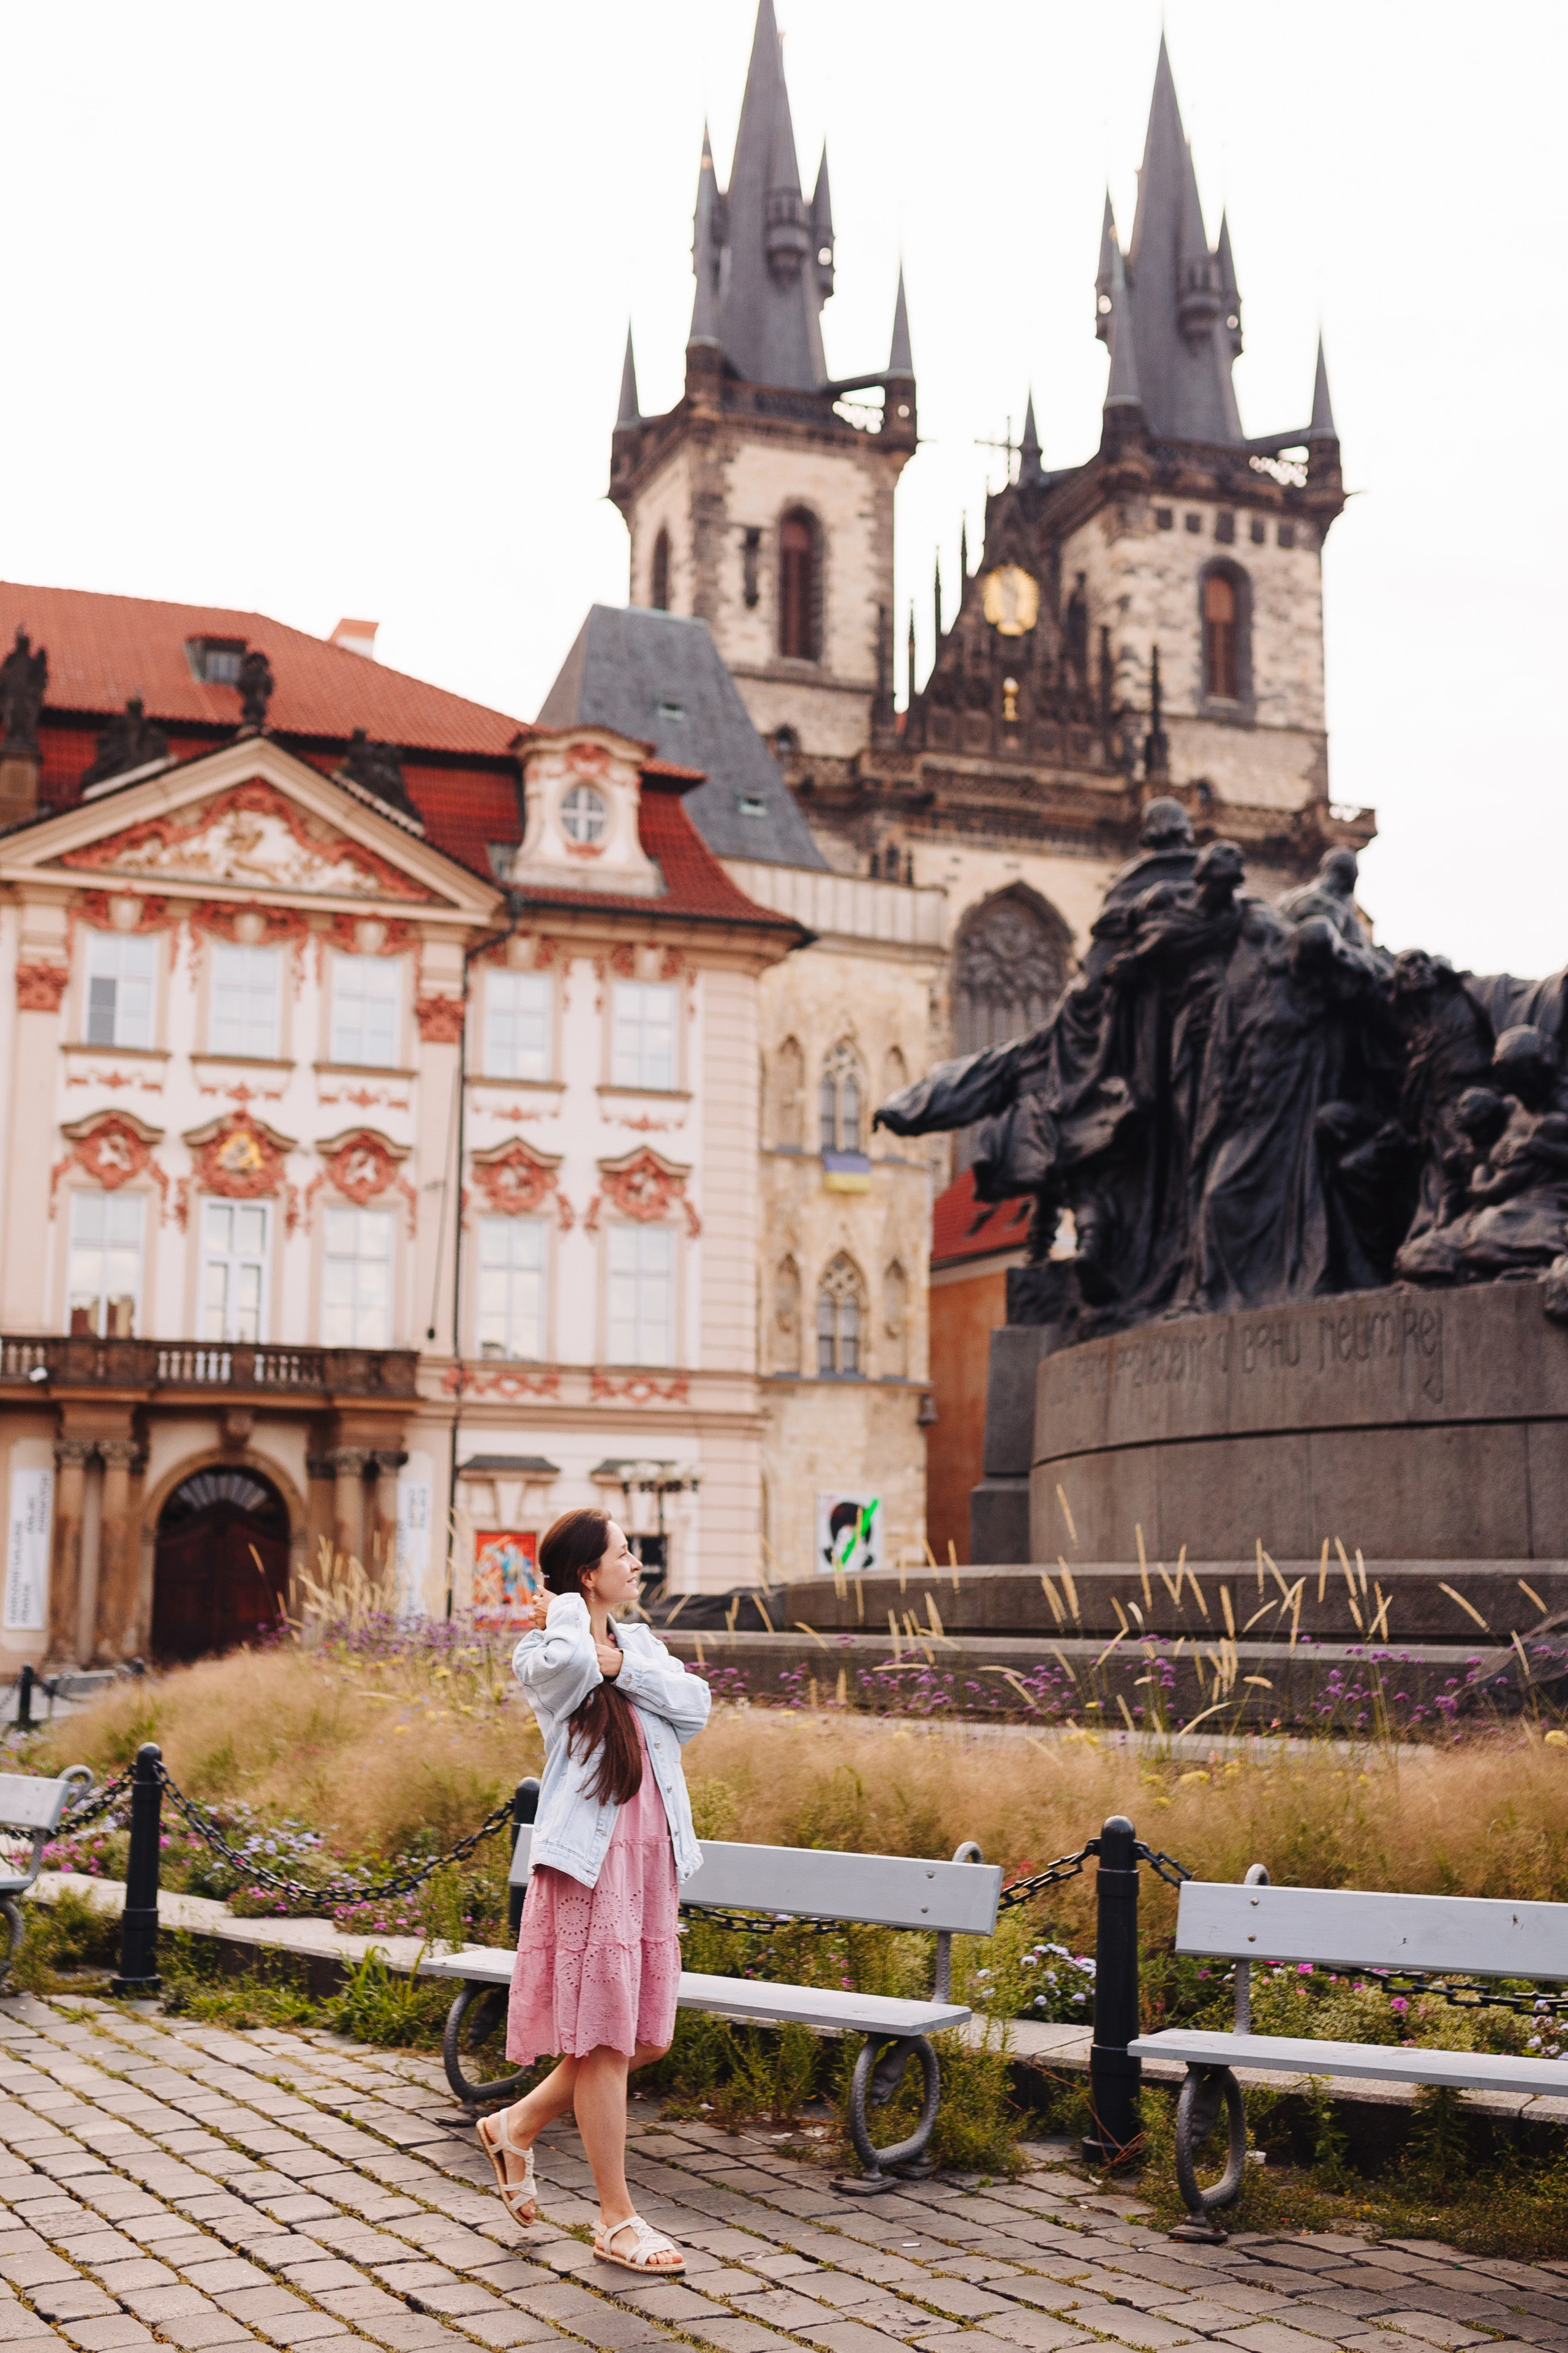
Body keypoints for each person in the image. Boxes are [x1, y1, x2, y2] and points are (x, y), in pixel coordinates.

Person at [475, 1508, 710, 2275]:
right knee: (606, 2040)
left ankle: (515, 2124)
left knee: (646, 2036)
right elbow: (570, 1668)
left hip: (649, 1864)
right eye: (622, 1553)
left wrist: (622, 1665)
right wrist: (574, 1620)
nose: (637, 1562)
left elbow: (696, 1705)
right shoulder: (547, 1645)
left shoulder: (637, 1645)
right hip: (591, 1866)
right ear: (586, 1573)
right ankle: (615, 2220)